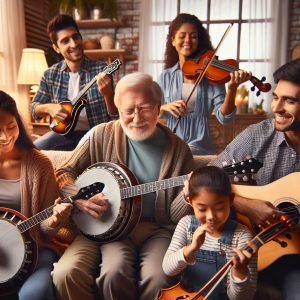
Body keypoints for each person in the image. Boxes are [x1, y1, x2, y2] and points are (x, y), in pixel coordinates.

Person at [52, 72, 195, 300]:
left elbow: (171, 215)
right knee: (87, 273)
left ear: (159, 108)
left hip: (157, 230)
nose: (137, 117)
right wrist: (79, 196)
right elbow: (62, 172)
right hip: (107, 225)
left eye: (145, 108)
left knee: (157, 277)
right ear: (117, 110)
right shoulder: (100, 135)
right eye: (128, 110)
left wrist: (188, 196)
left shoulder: (179, 150)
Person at [209, 59, 300, 299]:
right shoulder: (257, 135)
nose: (277, 107)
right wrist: (247, 205)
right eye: (276, 97)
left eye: (290, 101)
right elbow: (206, 179)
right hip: (254, 250)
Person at [0, 91, 72, 300]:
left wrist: (55, 219)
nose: (5, 137)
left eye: (10, 127)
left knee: (34, 294)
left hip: (35, 250)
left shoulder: (39, 164)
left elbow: (47, 230)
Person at [158, 13, 251, 155]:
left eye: (193, 36)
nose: (188, 40)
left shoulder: (211, 73)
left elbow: (224, 118)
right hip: (171, 144)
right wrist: (165, 107)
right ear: (173, 40)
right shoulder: (166, 76)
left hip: (200, 147)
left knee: (186, 156)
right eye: (182, 36)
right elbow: (152, 112)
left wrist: (232, 89)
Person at [162, 166, 257, 300]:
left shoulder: (241, 236)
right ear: (190, 201)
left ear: (231, 200)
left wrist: (240, 272)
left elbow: (242, 298)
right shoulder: (186, 225)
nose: (211, 216)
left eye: (219, 208)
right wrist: (191, 249)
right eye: (202, 209)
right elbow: (167, 269)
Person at [31, 14, 118, 151]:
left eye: (76, 37)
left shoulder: (101, 70)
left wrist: (108, 95)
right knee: (32, 151)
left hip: (95, 135)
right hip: (63, 134)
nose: (74, 44)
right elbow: (34, 108)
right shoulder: (50, 74)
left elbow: (115, 117)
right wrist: (50, 108)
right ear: (56, 48)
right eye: (65, 41)